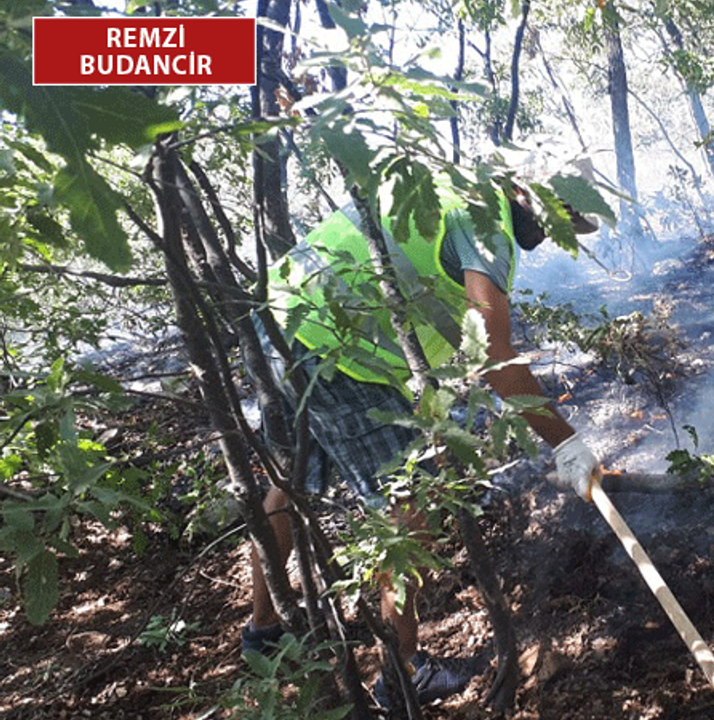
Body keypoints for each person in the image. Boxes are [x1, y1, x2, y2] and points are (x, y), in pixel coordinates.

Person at [241, 179, 601, 706]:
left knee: (290, 481)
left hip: (278, 321)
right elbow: (492, 351)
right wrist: (565, 443)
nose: (552, 232)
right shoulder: (487, 219)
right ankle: (402, 673)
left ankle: (262, 630)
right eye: (558, 216)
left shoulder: (441, 186)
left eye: (566, 226)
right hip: (335, 349)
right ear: (529, 191)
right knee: (409, 503)